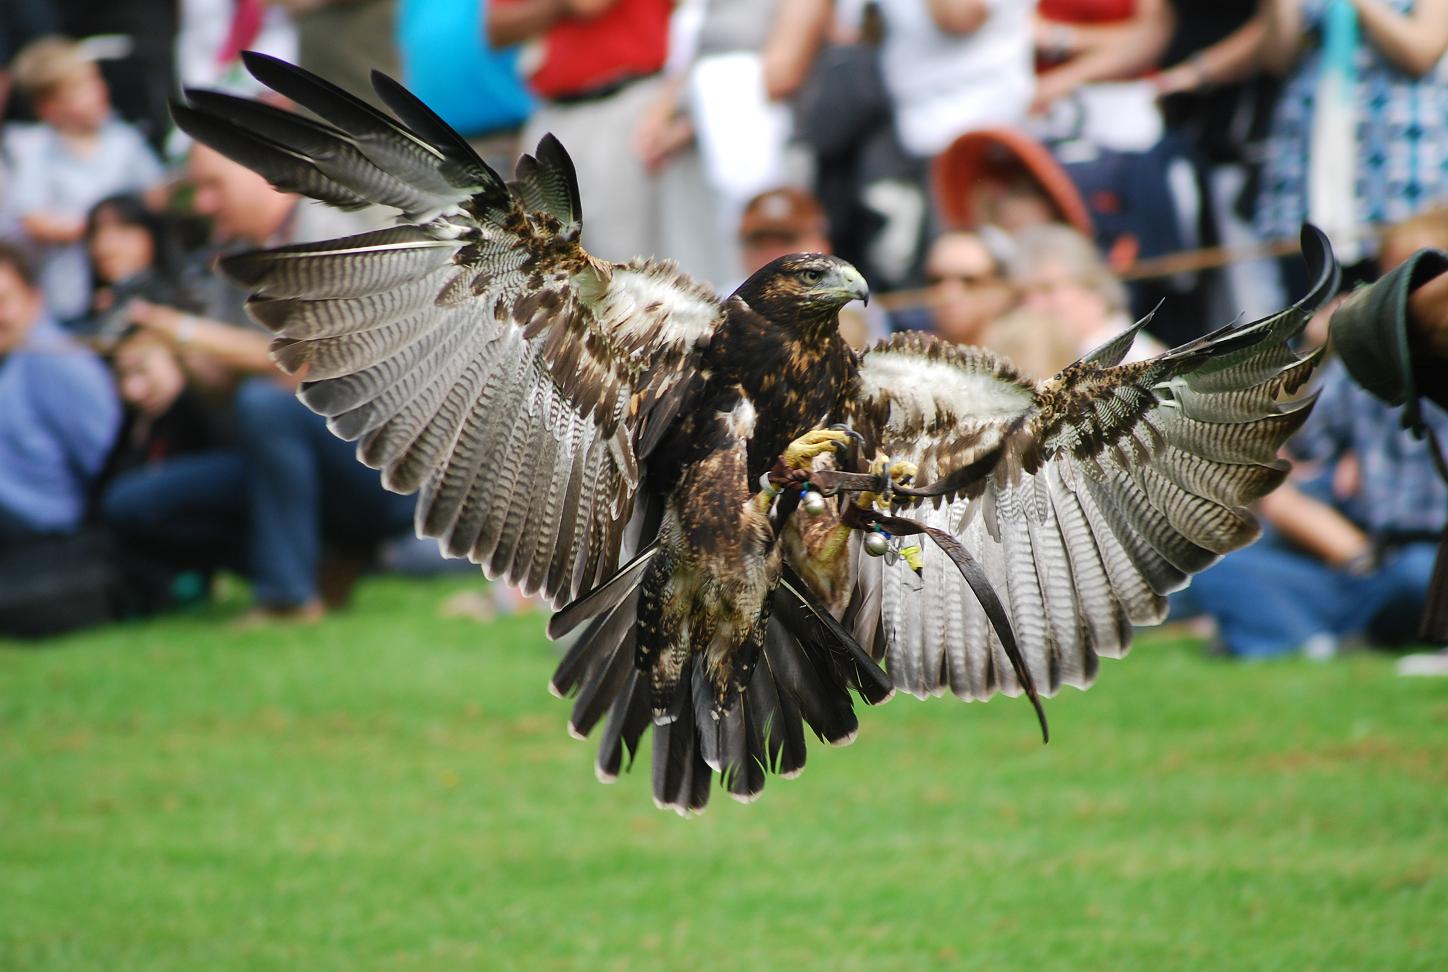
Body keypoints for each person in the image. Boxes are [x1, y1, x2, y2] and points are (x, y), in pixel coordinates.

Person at [122, 143, 414, 621]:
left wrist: (189, 332)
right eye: (197, 190)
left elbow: (309, 367)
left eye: (214, 186)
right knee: (134, 505)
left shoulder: (336, 230)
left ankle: (287, 596)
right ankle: (323, 559)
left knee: (265, 404)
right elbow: (221, 386)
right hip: (287, 468)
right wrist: (168, 352)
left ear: (263, 174)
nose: (204, 204)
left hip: (383, 465)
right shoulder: (233, 257)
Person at [1257, 0, 1448, 274]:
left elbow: (1422, 53)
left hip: (1396, 169)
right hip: (1308, 165)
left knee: (1402, 292)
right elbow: (1275, 58)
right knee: (1309, 296)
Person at [487, 0, 672, 263]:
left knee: (626, 257)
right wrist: (557, 7)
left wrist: (543, 11)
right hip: (554, 111)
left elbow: (589, 5)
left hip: (627, 101)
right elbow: (495, 29)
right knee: (548, 257)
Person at [6, 36, 164, 324]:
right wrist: (97, 228)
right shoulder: (38, 153)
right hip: (71, 293)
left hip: (135, 283)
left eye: (96, 81)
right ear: (48, 108)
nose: (100, 91)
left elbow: (156, 193)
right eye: (81, 89)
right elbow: (32, 219)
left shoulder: (122, 139)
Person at [0, 243, 119, 542]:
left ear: (35, 300)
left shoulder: (52, 357)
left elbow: (106, 460)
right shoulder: (11, 358)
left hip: (48, 532)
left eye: (2, 301)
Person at [737, 186, 878, 348]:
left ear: (822, 244)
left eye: (786, 241)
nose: (773, 255)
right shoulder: (719, 309)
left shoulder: (852, 307)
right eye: (759, 243)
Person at [1007, 223, 1165, 361]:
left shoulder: (1135, 358)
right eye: (1022, 296)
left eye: (1048, 290)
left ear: (1090, 287)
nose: (1034, 306)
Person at [890, 229, 1014, 348]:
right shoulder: (913, 355)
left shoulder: (1026, 355)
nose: (948, 294)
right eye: (935, 281)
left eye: (968, 281)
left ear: (1001, 289)